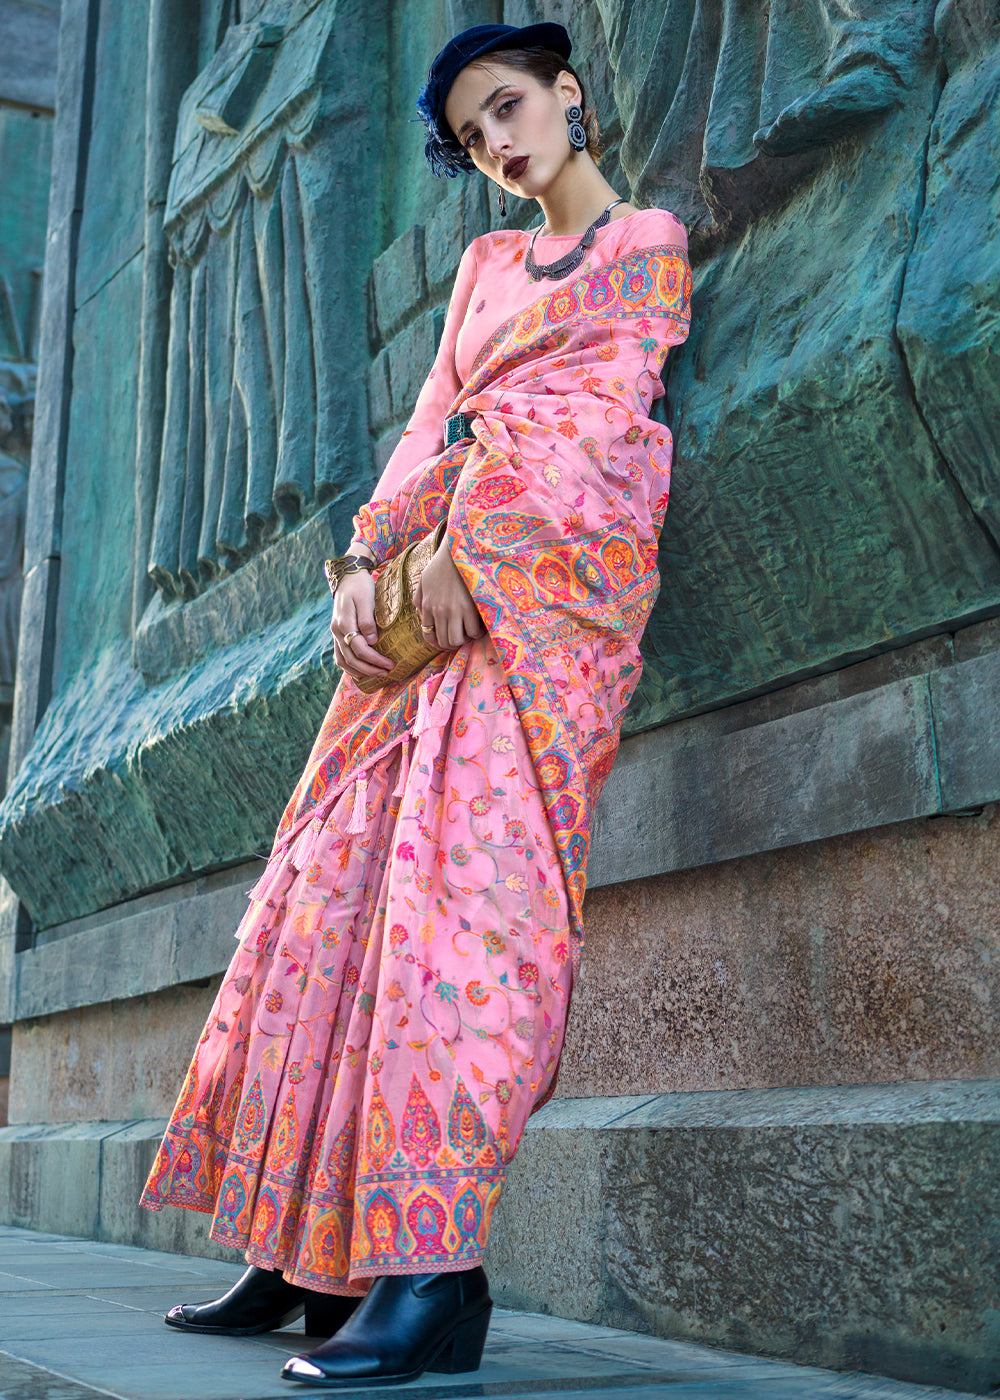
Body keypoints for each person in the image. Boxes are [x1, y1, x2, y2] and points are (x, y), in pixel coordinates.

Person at [140, 21, 691, 1390]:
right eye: (472, 135)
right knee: (324, 911)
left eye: (509, 107)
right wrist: (364, 566)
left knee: (459, 933)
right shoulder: (486, 268)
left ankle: (432, 1272)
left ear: (567, 93)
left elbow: (606, 423)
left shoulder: (645, 243)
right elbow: (427, 419)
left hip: (528, 628)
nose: (499, 143)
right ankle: (301, 1253)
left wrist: (473, 542)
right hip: (419, 628)